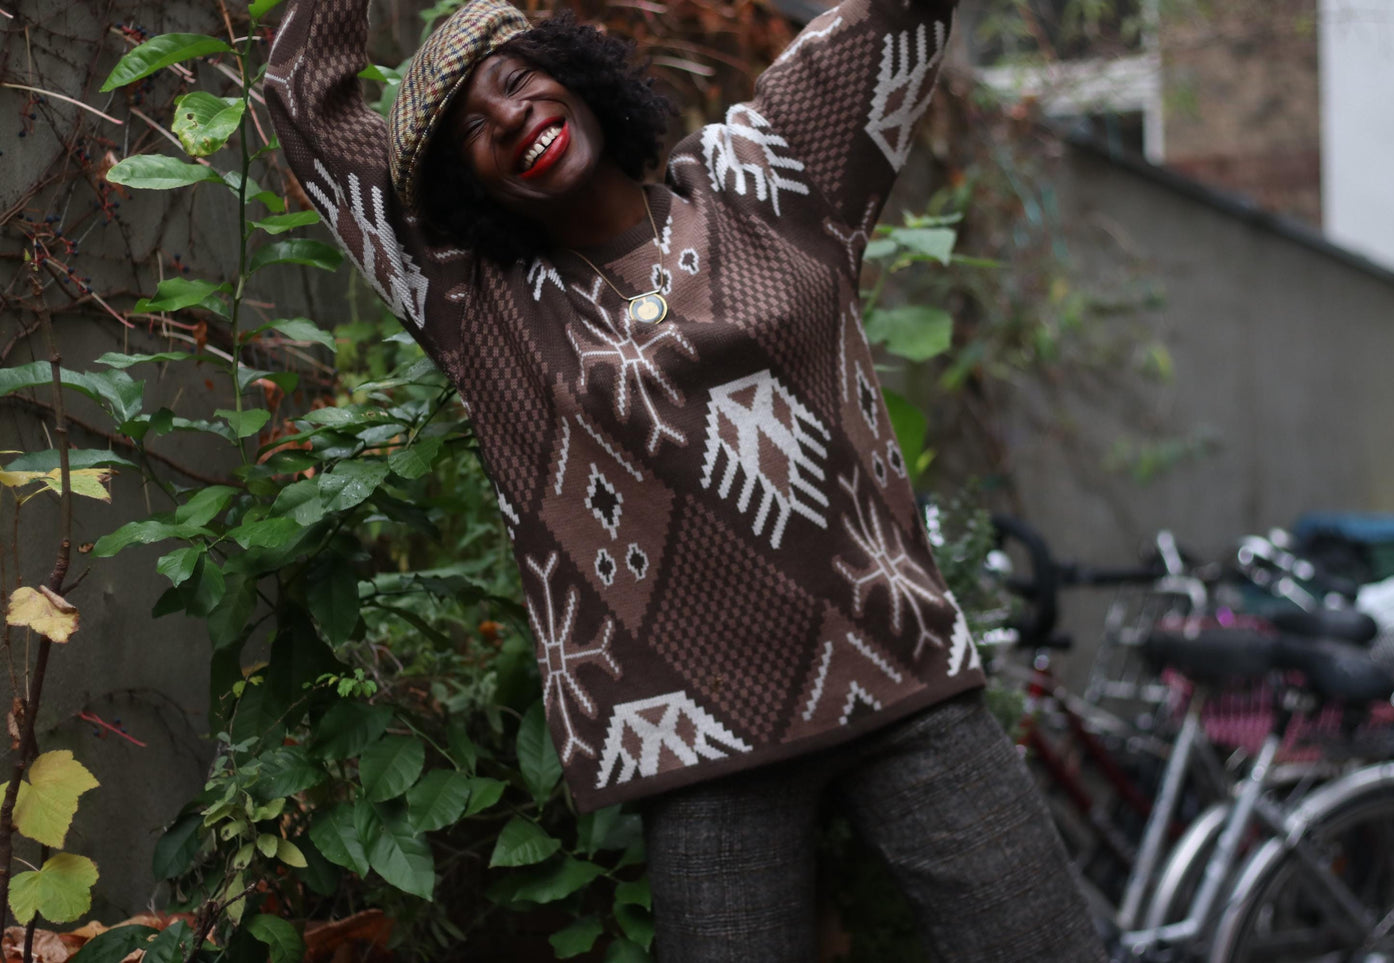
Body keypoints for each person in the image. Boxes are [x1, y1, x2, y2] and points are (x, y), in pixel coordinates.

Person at [264, 0, 1107, 959]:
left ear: (574, 71)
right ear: (463, 193)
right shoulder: (471, 300)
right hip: (699, 753)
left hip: (905, 686)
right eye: (468, 129)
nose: (505, 117)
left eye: (514, 76)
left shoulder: (770, 175)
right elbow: (301, 99)